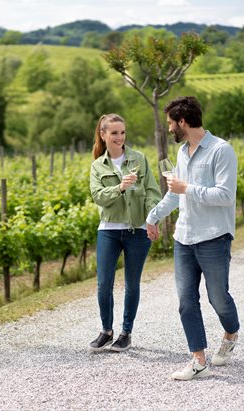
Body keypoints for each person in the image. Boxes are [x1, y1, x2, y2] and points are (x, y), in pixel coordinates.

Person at [146, 96, 240, 380]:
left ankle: (231, 332)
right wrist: (152, 217)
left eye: (171, 124)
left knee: (218, 298)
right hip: (184, 238)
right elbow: (175, 193)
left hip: (214, 238)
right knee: (186, 301)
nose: (169, 129)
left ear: (183, 122)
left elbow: (225, 196)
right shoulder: (182, 153)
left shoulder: (221, 151)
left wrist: (188, 187)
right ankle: (198, 359)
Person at [89, 113, 161, 352]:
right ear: (103, 135)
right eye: (114, 133)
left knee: (132, 284)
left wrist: (152, 218)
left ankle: (125, 334)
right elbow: (98, 196)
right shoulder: (98, 166)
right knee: (103, 284)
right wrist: (119, 187)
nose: (120, 137)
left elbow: (152, 192)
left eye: (122, 132)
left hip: (138, 232)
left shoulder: (139, 159)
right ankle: (106, 331)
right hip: (109, 231)